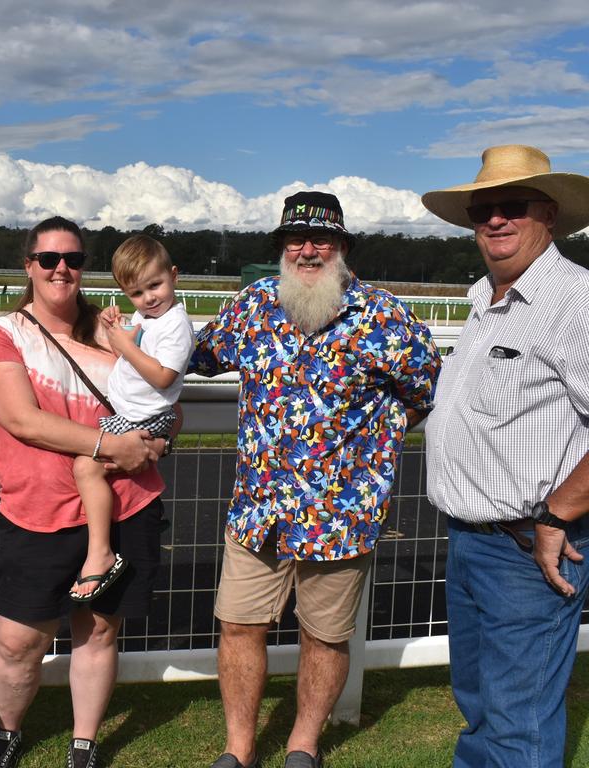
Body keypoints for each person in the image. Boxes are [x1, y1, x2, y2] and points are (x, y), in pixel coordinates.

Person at [190, 191, 440, 768]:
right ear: (281, 248)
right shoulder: (252, 306)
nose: (307, 250)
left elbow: (427, 391)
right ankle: (239, 748)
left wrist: (371, 450)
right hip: (259, 509)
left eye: (320, 240)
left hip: (341, 514)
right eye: (295, 239)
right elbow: (191, 356)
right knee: (238, 626)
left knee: (325, 636)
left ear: (343, 248)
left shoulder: (384, 317)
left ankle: (303, 745)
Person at [0, 216, 167, 768]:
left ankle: (83, 744)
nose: (62, 269)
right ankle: (7, 733)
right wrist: (113, 447)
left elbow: (163, 397)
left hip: (127, 500)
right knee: (18, 642)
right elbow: (22, 419)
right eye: (49, 259)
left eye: (74, 260)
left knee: (100, 630)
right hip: (37, 507)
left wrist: (156, 441)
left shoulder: (113, 330)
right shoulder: (2, 334)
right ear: (29, 266)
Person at [421, 144, 589, 767]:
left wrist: (555, 515)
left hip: (529, 547)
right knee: (482, 707)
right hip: (471, 539)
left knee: (518, 722)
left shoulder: (575, 301)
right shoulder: (485, 302)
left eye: (511, 206)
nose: (495, 220)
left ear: (548, 215)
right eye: (482, 210)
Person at [70, 234, 192, 601]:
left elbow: (163, 376)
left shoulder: (175, 324)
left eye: (155, 286)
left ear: (174, 275)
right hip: (137, 413)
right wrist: (116, 325)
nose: (148, 298)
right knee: (88, 463)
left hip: (143, 417)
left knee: (84, 466)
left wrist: (124, 345)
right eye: (136, 293)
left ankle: (100, 552)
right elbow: (130, 343)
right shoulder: (149, 317)